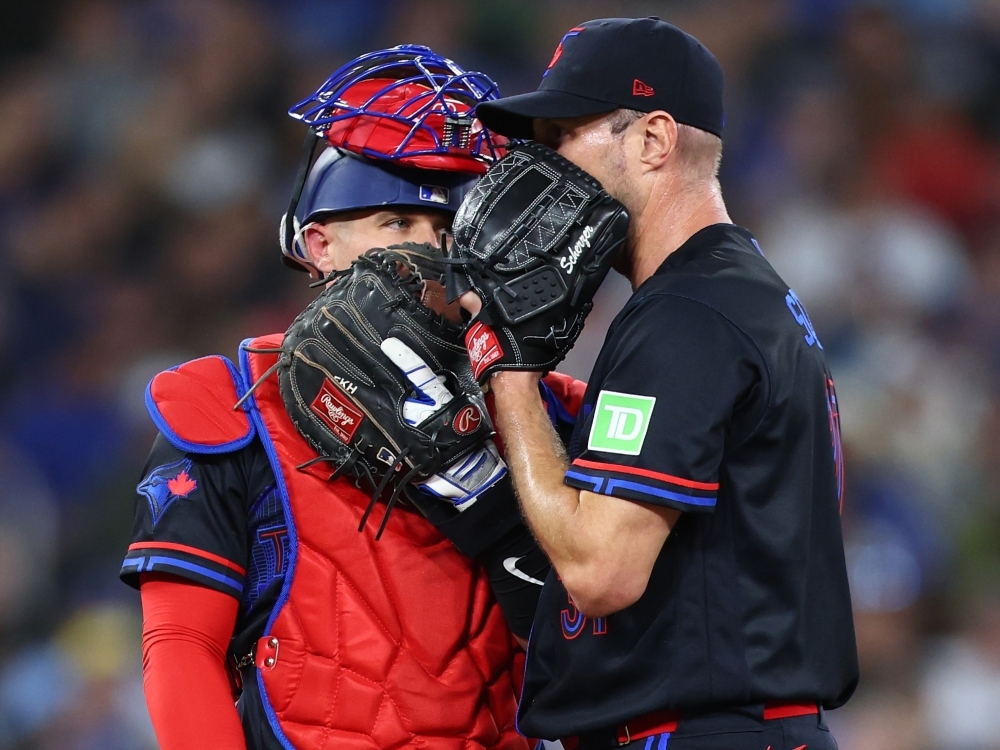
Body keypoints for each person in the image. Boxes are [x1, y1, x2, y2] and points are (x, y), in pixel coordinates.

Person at [121, 46, 578, 750]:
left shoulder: (542, 411)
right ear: (320, 245)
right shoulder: (228, 405)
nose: (428, 252)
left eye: (449, 232)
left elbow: (605, 656)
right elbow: (182, 645)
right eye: (395, 223)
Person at [468, 17, 861, 750]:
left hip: (703, 731)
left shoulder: (686, 312)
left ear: (653, 140)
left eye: (562, 137)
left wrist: (511, 375)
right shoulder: (736, 291)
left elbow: (602, 571)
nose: (542, 170)